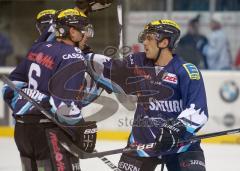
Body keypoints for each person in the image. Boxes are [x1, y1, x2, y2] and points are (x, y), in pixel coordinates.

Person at [89, 19, 208, 171]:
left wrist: (176, 129)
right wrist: (82, 55)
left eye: (149, 38)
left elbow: (199, 110)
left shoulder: (186, 70)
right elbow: (110, 68)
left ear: (164, 42)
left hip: (181, 144)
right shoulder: (138, 62)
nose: (144, 42)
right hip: (141, 143)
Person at [2, 9, 98, 171]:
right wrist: (78, 128)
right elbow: (62, 106)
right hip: (51, 134)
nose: (87, 36)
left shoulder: (37, 48)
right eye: (84, 31)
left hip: (23, 132)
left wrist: (28, 103)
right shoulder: (73, 55)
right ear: (72, 32)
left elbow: (8, 89)